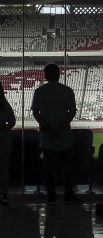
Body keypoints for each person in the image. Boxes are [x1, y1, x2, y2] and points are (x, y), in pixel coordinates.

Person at [32, 64, 81, 205]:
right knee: (68, 168)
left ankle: (51, 196)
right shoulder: (67, 91)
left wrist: (48, 128)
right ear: (59, 75)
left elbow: (36, 113)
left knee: (48, 168)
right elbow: (71, 112)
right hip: (64, 136)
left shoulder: (40, 91)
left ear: (45, 75)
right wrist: (60, 128)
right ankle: (68, 195)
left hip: (47, 137)